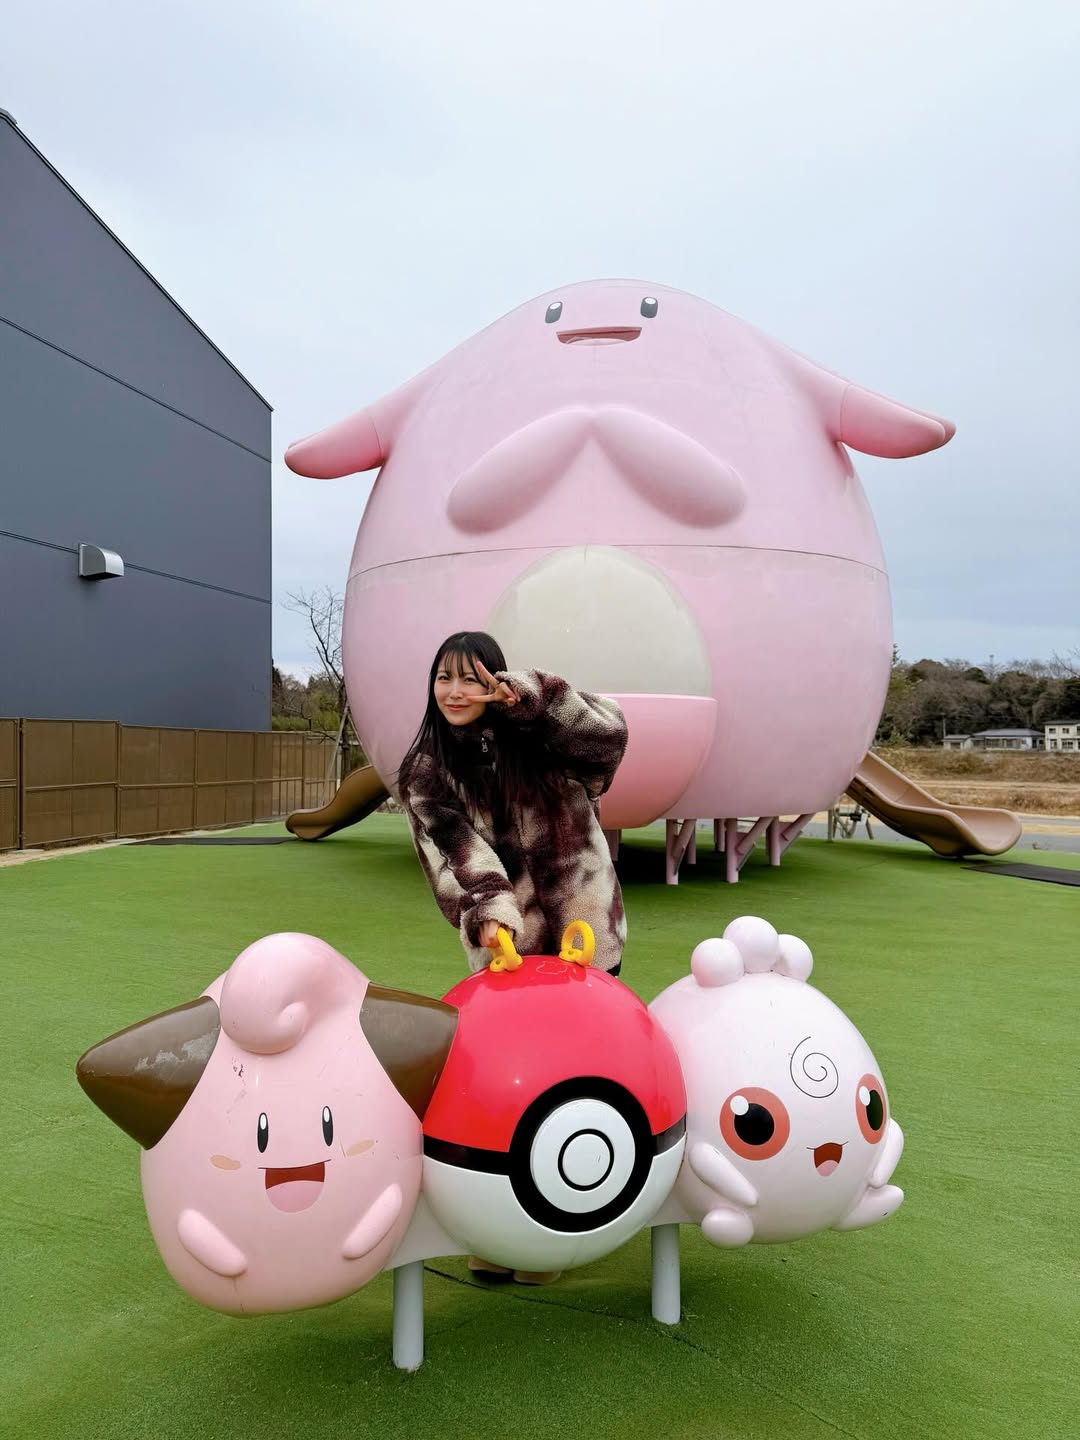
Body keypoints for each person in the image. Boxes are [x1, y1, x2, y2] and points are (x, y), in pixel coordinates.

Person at [397, 630, 628, 979]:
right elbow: (453, 855)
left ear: (494, 679)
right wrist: (490, 910)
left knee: (595, 1015)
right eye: (444, 678)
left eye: (469, 679)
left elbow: (608, 741)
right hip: (510, 950)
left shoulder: (542, 732)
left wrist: (535, 700)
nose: (454, 692)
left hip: (588, 934)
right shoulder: (426, 771)